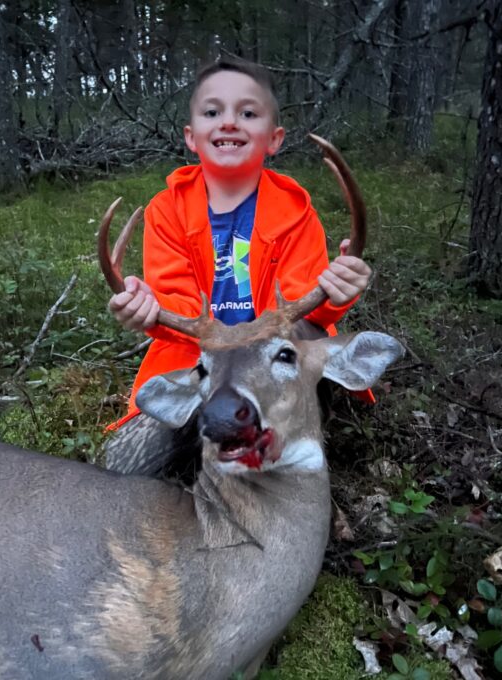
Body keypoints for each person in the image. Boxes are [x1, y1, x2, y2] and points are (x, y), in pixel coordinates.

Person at [104, 58, 372, 476]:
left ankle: (280, 463)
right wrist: (149, 308)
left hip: (271, 365)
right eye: (213, 112)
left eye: (248, 113)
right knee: (126, 465)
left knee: (301, 341)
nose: (229, 122)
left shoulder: (295, 213)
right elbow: (176, 301)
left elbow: (306, 314)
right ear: (191, 137)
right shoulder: (168, 211)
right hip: (197, 361)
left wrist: (337, 291)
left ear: (274, 139)